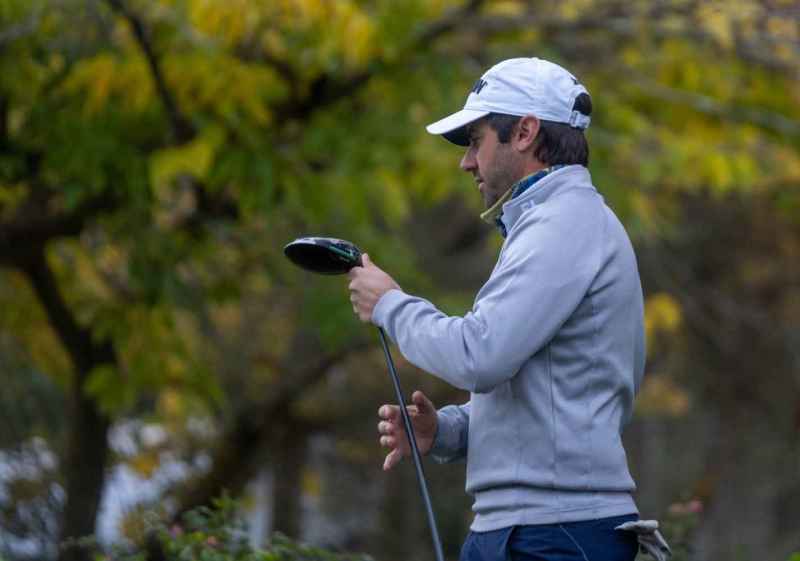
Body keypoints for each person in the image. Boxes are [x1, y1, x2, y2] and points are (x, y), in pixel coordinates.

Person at [347, 57, 647, 561]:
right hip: (532, 528)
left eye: (476, 140)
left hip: (556, 534)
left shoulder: (564, 223)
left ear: (525, 132)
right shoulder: (550, 223)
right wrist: (445, 431)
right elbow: (541, 391)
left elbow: (479, 356)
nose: (467, 161)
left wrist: (390, 305)